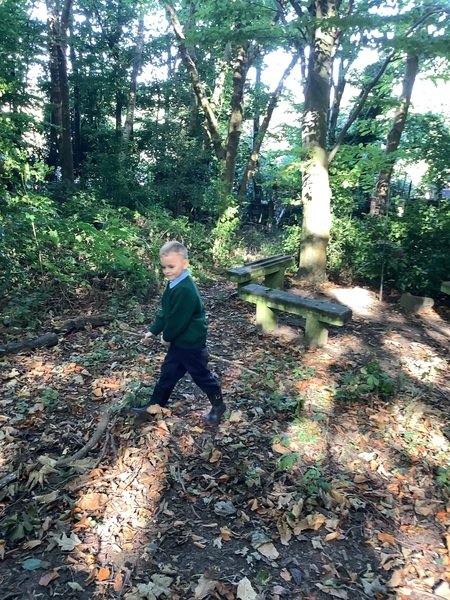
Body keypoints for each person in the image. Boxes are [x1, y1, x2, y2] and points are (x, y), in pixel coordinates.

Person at [129, 240, 226, 424]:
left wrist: (167, 336)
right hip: (179, 344)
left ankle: (218, 405)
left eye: (171, 266)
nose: (167, 271)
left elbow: (178, 319)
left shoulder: (185, 289)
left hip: (190, 344)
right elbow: (165, 311)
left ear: (185, 263)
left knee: (201, 376)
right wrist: (153, 331)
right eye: (164, 267)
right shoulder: (173, 283)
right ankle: (154, 407)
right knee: (168, 373)